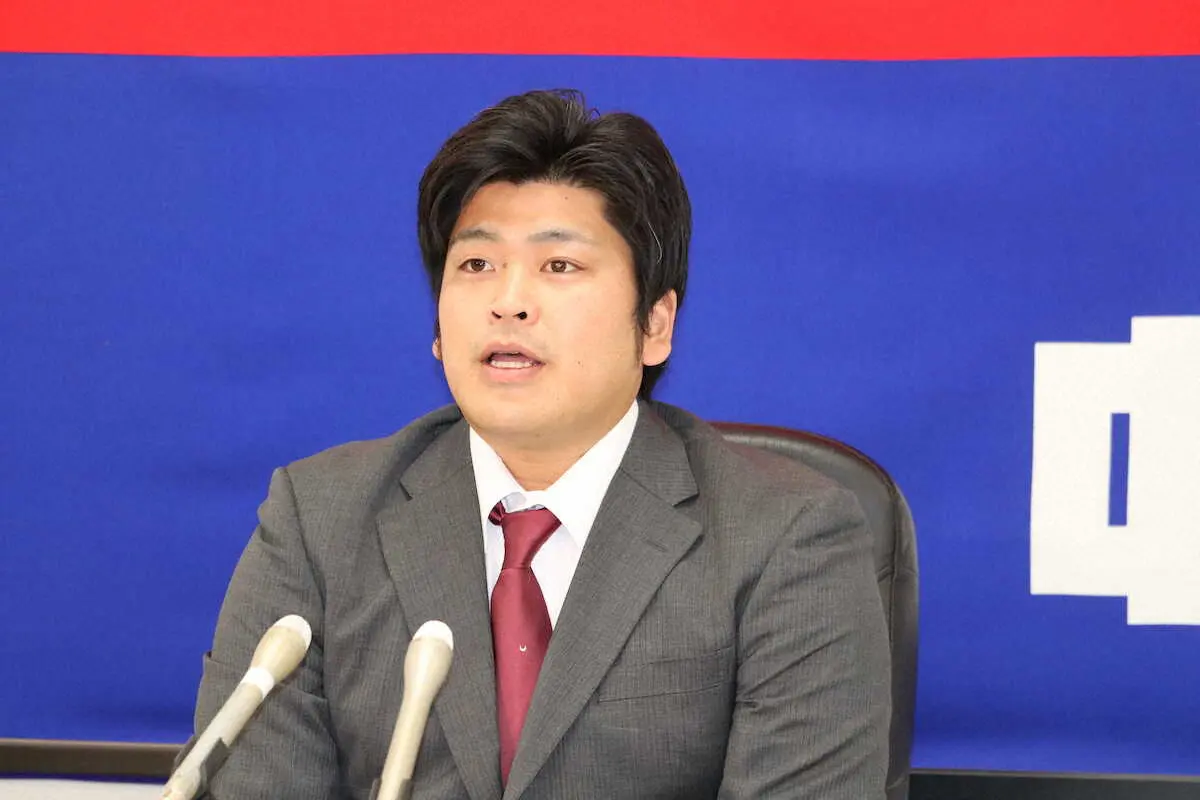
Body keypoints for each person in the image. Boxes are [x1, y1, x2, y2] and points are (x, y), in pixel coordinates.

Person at [189, 88, 891, 799]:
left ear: (654, 325)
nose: (508, 301)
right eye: (476, 265)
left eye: (559, 266)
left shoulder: (784, 538)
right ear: (437, 328)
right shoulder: (320, 521)